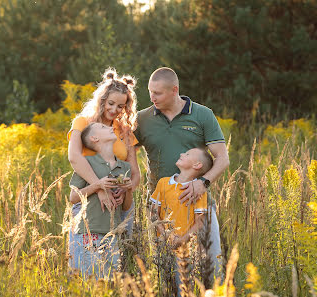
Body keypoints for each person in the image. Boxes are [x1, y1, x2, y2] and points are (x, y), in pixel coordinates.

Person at [134, 67, 230, 279]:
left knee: (210, 273)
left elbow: (222, 159)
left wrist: (203, 182)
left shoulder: (202, 114)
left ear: (174, 90)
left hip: (198, 208)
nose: (152, 97)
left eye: (157, 93)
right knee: (169, 276)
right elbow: (123, 150)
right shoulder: (142, 119)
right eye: (150, 91)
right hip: (162, 214)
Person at [67, 68, 140, 221]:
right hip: (88, 201)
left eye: (120, 106)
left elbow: (135, 174)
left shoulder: (125, 131)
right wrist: (100, 188)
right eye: (111, 103)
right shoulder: (83, 123)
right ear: (102, 100)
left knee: (121, 244)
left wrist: (125, 189)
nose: (114, 110)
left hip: (119, 204)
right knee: (85, 244)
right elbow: (74, 157)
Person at [69, 122, 133, 279]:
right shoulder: (87, 163)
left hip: (113, 234)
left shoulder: (124, 167)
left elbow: (125, 207)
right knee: (90, 281)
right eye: (104, 128)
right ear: (94, 138)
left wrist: (128, 190)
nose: (111, 128)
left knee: (110, 283)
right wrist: (98, 185)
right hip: (89, 231)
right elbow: (73, 197)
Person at [150, 147, 213, 295]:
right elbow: (153, 213)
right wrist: (166, 235)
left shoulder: (198, 190)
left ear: (197, 165)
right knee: (163, 287)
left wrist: (182, 240)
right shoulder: (164, 183)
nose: (181, 153)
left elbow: (200, 222)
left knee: (183, 288)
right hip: (162, 246)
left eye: (187, 154)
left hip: (186, 251)